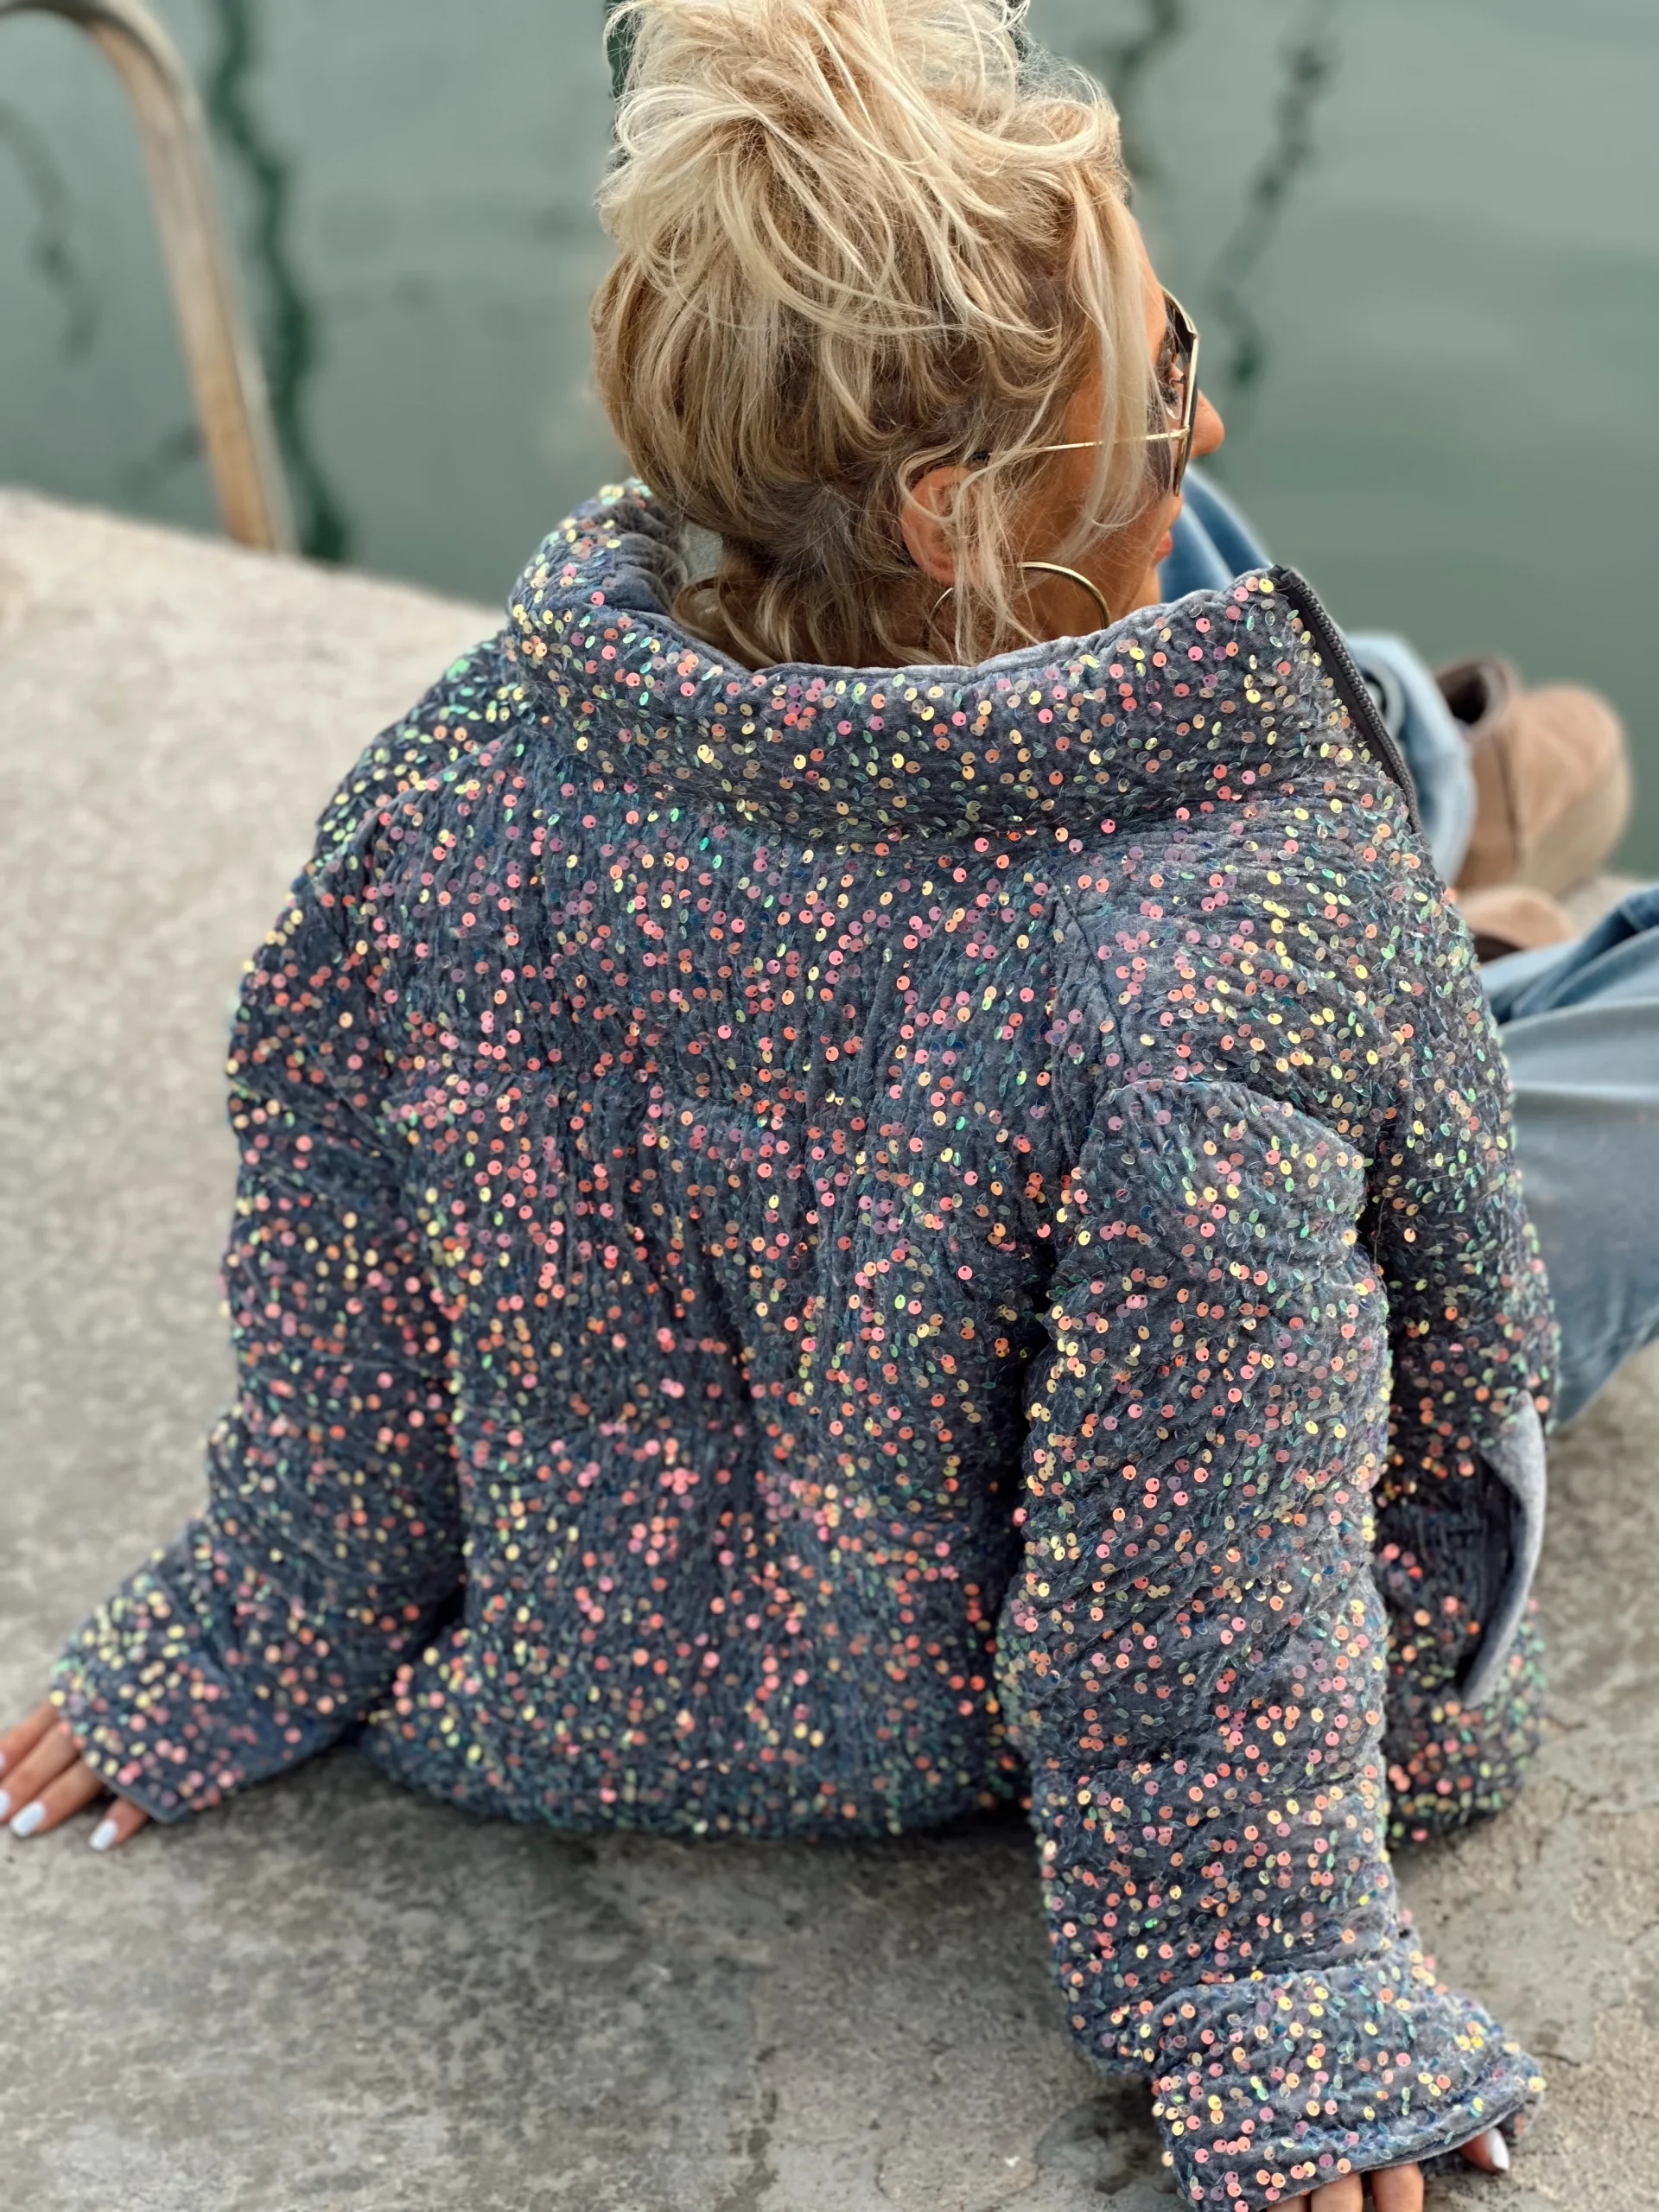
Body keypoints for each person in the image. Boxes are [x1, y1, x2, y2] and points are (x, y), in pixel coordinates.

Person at [4, 2, 1656, 2205]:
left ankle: (1437, 799)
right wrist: (1270, 1980)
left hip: (769, 1406)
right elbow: (1198, 1559)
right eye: (1167, 366)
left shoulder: (447, 796)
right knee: (1323, 779)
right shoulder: (1204, 985)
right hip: (1124, 1142)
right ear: (954, 514)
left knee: (1222, 619)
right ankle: (1457, 847)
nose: (1206, 398)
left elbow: (351, 1314)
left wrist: (264, 1611)